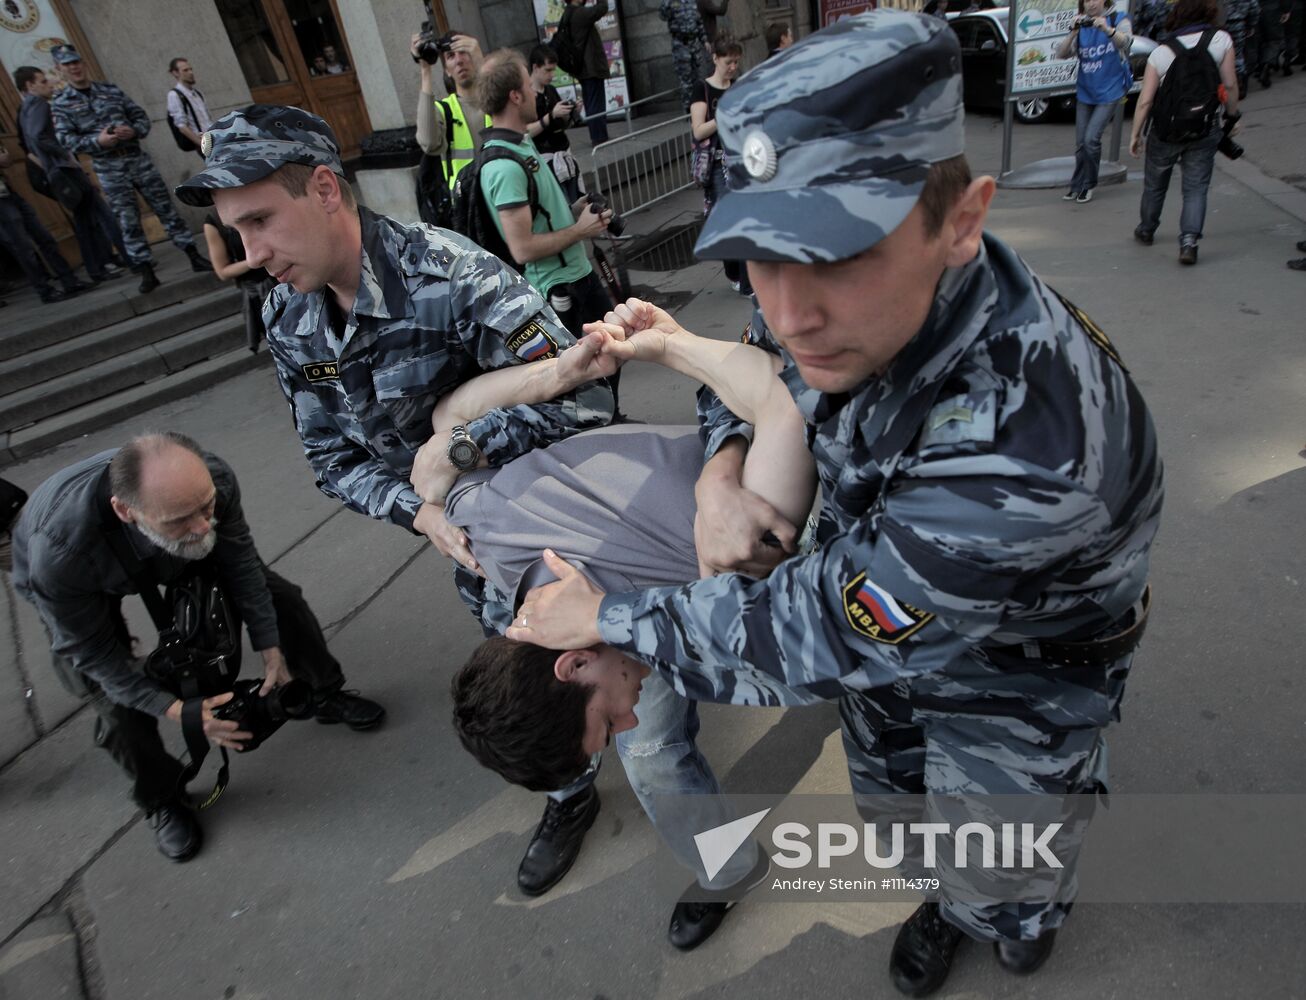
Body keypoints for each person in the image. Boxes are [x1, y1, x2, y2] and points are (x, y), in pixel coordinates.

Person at [502, 12, 1163, 995]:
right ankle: (950, 896)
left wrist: (599, 613)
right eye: (759, 257)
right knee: (898, 818)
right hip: (888, 642)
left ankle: (1014, 913)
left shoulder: (1028, 439)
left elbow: (807, 634)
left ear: (961, 221)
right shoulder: (862, 314)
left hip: (1015, 676)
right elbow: (761, 363)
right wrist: (722, 471)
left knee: (1005, 859)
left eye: (835, 257)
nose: (787, 307)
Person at [173, 104, 620, 902]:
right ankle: (568, 794)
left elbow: (584, 393)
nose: (251, 255)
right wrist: (419, 512)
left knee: (643, 720)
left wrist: (455, 452)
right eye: (236, 234)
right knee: (532, 698)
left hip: (571, 544)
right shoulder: (288, 313)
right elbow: (326, 455)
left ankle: (705, 829)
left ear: (323, 189)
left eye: (260, 222)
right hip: (475, 556)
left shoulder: (450, 273)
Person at [410, 315, 802, 948]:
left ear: (573, 664)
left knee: (649, 753)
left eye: (604, 724)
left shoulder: (716, 556)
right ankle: (729, 870)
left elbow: (782, 399)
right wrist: (437, 477)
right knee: (650, 757)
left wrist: (717, 458)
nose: (622, 725)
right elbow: (450, 420)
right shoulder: (490, 539)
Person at [10, 432, 386, 862]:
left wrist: (270, 647)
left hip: (159, 548)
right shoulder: (58, 552)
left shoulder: (211, 481)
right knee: (114, 703)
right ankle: (162, 799)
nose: (203, 526)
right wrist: (179, 712)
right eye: (181, 519)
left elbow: (243, 568)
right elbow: (95, 655)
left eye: (206, 508)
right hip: (86, 575)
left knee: (281, 601)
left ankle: (321, 692)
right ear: (125, 511)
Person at [50, 44, 212, 293]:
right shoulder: (61, 103)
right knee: (127, 219)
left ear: (83, 63)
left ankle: (193, 254)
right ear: (60, 70)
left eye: (76, 62)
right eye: (68, 65)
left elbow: (141, 118)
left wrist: (133, 130)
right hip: (108, 165)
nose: (74, 68)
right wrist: (98, 141)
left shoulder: (110, 90)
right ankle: (145, 269)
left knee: (165, 207)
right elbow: (65, 140)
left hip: (136, 158)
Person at [477, 50, 612, 339]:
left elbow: (540, 216)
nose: (534, 93)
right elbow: (522, 248)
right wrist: (579, 231)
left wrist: (574, 211)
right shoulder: (503, 166)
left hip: (578, 274)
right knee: (589, 377)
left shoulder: (521, 143)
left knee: (612, 358)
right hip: (559, 289)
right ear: (515, 96)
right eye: (528, 86)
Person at [1128, 0, 1239, 265]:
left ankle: (1146, 229)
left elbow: (1145, 100)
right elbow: (1231, 84)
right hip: (1204, 126)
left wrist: (1135, 134)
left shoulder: (1161, 52)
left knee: (1155, 185)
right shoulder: (1221, 40)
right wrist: (1232, 116)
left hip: (1166, 130)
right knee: (1196, 187)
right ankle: (1189, 241)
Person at [15, 64, 129, 283]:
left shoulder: (27, 108)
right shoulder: (38, 103)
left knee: (86, 218)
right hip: (63, 169)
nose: (49, 84)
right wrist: (65, 155)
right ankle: (112, 261)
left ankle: (103, 263)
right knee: (93, 215)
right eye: (43, 81)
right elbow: (38, 137)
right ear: (30, 85)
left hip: (57, 170)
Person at [1055, 0, 1133, 204]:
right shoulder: (1082, 25)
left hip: (1110, 90)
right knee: (1081, 143)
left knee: (1091, 139)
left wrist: (1107, 29)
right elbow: (1061, 54)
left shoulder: (1118, 19)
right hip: (1086, 90)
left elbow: (1126, 43)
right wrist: (1073, 31)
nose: (1091, 4)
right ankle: (1076, 184)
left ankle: (1088, 184)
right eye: (1086, 0)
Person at [691, 36, 749, 295]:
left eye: (736, 62)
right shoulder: (702, 88)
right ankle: (736, 273)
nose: (733, 67)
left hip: (741, 161)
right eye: (729, 61)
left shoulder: (737, 86)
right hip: (717, 166)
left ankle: (745, 276)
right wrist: (723, 115)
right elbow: (699, 130)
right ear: (715, 58)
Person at [0, 144, 94, 303]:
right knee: (22, 246)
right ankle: (45, 290)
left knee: (44, 237)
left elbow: (5, 160)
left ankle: (69, 281)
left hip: (9, 192)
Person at [412, 31, 489, 210]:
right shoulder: (444, 110)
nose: (459, 60)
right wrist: (425, 70)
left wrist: (481, 61)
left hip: (504, 192)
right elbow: (428, 143)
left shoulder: (494, 99)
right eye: (451, 56)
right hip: (468, 205)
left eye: (464, 52)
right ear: (446, 69)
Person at [202, 211, 274, 352]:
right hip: (259, 294)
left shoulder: (255, 200)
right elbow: (222, 271)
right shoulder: (214, 221)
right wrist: (255, 260)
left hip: (288, 279)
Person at [526, 45, 585, 203]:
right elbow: (525, 132)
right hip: (544, 159)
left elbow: (561, 126)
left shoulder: (551, 90)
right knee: (560, 203)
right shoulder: (526, 95)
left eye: (553, 70)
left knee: (576, 200)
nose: (552, 75)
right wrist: (551, 116)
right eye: (548, 70)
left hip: (564, 155)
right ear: (535, 67)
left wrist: (571, 114)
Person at [559, 0, 612, 146]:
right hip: (590, 67)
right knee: (596, 103)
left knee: (591, 102)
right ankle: (599, 137)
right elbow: (602, 8)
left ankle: (598, 135)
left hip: (583, 67)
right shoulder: (579, 13)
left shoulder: (568, 13)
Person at [660, 0, 712, 112]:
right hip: (680, 45)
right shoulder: (670, 2)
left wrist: (704, 40)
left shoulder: (691, 2)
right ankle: (689, 110)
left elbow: (699, 21)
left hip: (694, 44)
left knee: (698, 76)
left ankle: (701, 106)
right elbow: (663, 15)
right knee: (685, 80)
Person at [167, 57, 212, 157]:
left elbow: (207, 119)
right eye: (185, 70)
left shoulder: (197, 93)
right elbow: (182, 126)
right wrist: (203, 145)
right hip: (203, 144)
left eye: (191, 69)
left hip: (213, 140)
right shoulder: (174, 95)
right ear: (175, 73)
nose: (191, 73)